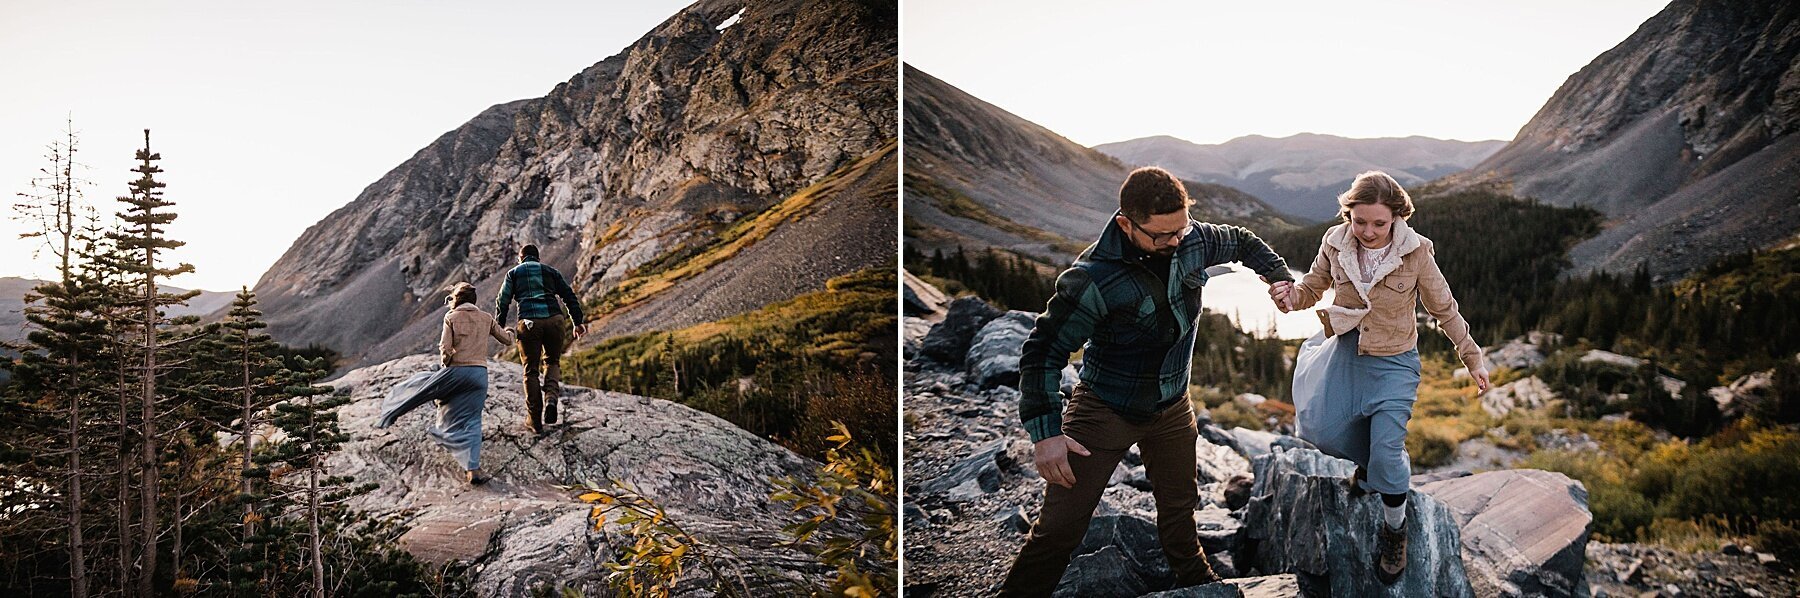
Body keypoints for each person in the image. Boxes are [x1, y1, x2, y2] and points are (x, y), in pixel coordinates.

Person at [1001, 166, 1296, 596]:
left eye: (1181, 229)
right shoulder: (1094, 278)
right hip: (1104, 409)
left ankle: (1199, 585)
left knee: (1180, 512)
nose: (1176, 241)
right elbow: (1042, 352)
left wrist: (1278, 275)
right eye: (1162, 236)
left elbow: (1242, 241)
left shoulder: (1191, 237)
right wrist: (1045, 434)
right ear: (1126, 223)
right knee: (1060, 530)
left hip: (1173, 408)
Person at [1269, 170, 1490, 584]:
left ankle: (1394, 528)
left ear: (1397, 218)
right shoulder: (1334, 242)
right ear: (1348, 214)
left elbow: (1445, 308)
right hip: (1346, 353)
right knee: (1320, 432)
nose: (1368, 231)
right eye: (1360, 221)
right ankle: (1372, 469)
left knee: (1389, 451)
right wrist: (1288, 298)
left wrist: (1472, 358)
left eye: (1379, 223)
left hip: (1395, 361)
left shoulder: (1417, 252)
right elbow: (1311, 289)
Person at [376, 283, 516, 485]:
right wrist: (510, 330)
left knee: (425, 387)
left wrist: (447, 366)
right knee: (473, 421)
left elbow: (445, 348)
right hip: (479, 375)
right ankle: (473, 470)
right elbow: (507, 340)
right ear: (474, 300)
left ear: (456, 299)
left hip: (457, 369)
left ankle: (391, 413)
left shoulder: (451, 317)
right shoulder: (486, 318)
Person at [495, 244, 587, 434]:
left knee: (531, 371)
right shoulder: (551, 271)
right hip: (555, 320)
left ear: (521, 258)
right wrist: (577, 322)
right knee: (552, 361)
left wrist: (499, 326)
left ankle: (535, 420)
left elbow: (502, 300)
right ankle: (551, 399)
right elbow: (569, 296)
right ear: (537, 258)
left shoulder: (514, 274)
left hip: (529, 322)